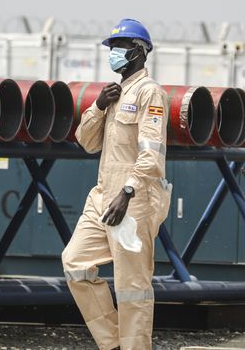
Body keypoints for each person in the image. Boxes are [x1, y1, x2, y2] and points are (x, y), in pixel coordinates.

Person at [62, 18, 172, 350]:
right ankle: (112, 343)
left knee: (132, 287)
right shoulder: (114, 94)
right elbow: (86, 141)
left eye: (120, 47)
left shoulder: (149, 93)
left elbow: (151, 156)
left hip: (133, 200)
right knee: (75, 263)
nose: (114, 53)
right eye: (112, 48)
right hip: (101, 196)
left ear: (139, 53)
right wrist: (97, 106)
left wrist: (127, 192)